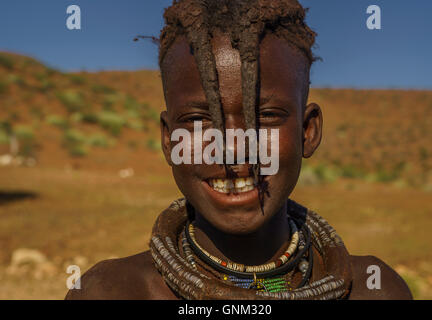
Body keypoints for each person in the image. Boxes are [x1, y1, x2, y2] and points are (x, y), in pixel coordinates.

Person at [66, 0, 412, 300]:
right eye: (200, 120)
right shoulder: (108, 292)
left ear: (308, 131)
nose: (232, 150)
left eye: (265, 117)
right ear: (169, 140)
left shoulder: (373, 290)